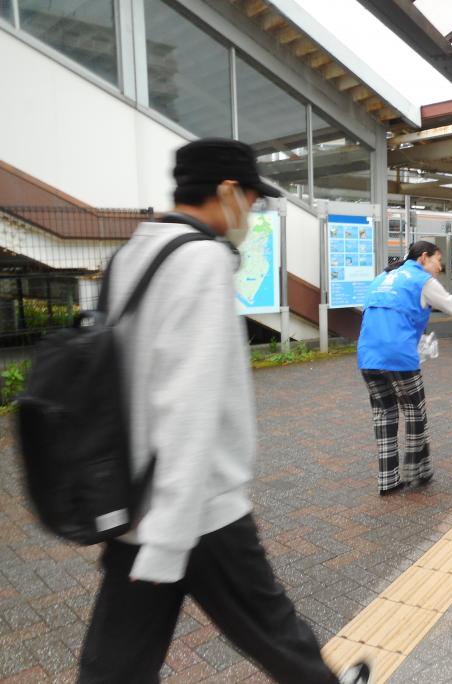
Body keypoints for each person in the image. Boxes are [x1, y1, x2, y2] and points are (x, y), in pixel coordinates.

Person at [78, 139, 370, 684]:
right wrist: (168, 538)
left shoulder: (133, 252)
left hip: (134, 495)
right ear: (228, 191)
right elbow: (191, 403)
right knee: (274, 632)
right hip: (197, 507)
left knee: (113, 665)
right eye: (254, 201)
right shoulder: (202, 261)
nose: (253, 214)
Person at [358, 240, 452, 495]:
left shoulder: (383, 277)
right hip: (399, 356)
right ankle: (418, 472)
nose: (439, 268)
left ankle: (388, 480)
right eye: (438, 261)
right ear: (424, 258)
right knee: (415, 413)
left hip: (368, 356)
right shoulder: (421, 280)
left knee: (384, 416)